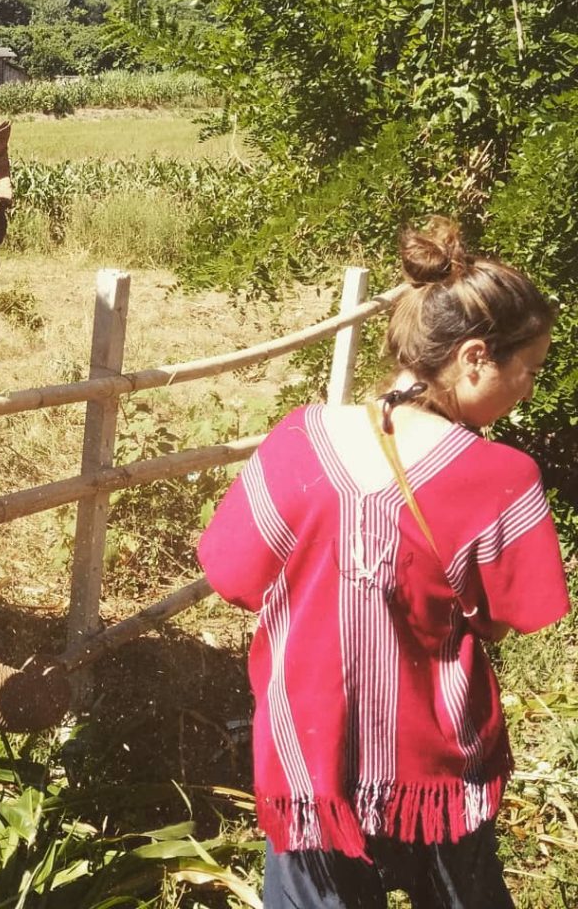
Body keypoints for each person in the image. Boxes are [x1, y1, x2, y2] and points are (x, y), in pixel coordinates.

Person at [197, 216, 571, 908]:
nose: (527, 388)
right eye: (529, 369)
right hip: (437, 771)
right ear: (476, 357)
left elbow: (230, 575)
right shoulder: (500, 477)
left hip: (309, 759)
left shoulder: (297, 440)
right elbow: (512, 616)